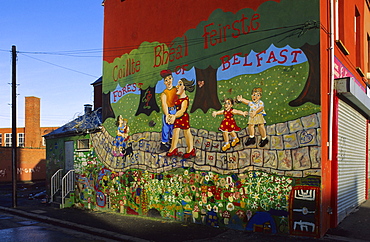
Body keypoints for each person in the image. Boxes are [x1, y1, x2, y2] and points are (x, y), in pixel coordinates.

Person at [166, 78, 196, 159]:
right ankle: (173, 148)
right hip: (177, 117)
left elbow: (182, 110)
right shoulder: (178, 98)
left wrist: (174, 116)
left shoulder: (185, 99)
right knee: (175, 131)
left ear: (184, 87)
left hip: (183, 117)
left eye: (180, 84)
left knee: (187, 132)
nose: (177, 86)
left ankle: (190, 150)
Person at [159, 70, 178, 151]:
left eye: (169, 79)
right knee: (166, 127)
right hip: (168, 110)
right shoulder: (164, 93)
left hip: (175, 110)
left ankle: (171, 140)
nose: (168, 81)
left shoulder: (176, 90)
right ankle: (163, 143)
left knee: (173, 127)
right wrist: (167, 114)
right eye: (166, 80)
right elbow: (164, 104)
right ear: (164, 82)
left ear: (172, 79)